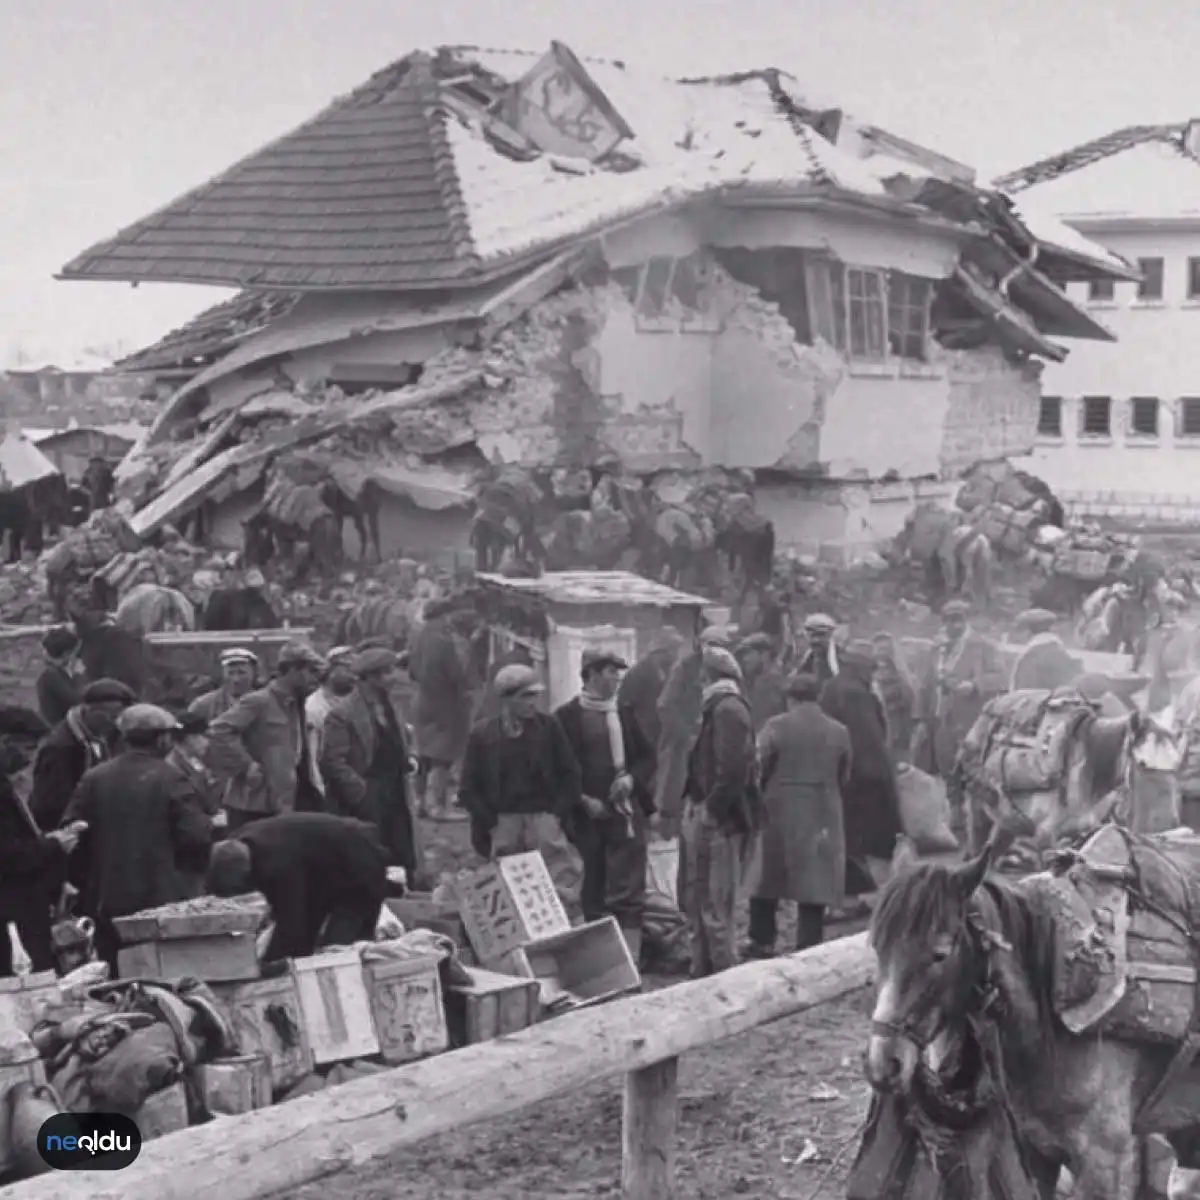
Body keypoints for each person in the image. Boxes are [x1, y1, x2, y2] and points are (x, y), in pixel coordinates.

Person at [62, 704, 214, 972]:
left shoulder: (94, 777)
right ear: (162, 738)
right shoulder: (171, 778)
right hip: (164, 901)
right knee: (168, 978)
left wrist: (88, 881)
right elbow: (197, 836)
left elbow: (72, 834)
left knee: (118, 977)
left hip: (107, 899)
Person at [459, 664, 584, 916]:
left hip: (543, 819)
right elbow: (468, 786)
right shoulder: (483, 734)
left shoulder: (549, 728)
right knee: (510, 886)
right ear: (506, 699)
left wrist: (555, 816)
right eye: (525, 696)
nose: (533, 702)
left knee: (559, 881)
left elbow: (570, 774)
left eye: (535, 695)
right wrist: (490, 821)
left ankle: (562, 930)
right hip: (504, 821)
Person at [555, 649, 655, 963]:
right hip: (587, 819)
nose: (617, 679)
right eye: (612, 672)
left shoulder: (623, 713)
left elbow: (647, 757)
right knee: (592, 888)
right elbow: (558, 769)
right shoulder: (566, 718)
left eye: (618, 673)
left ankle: (630, 962)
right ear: (592, 674)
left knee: (629, 891)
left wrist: (631, 781)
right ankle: (600, 964)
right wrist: (583, 800)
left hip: (625, 814)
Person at [745, 673, 851, 958]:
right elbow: (845, 774)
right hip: (822, 809)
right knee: (815, 878)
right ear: (817, 697)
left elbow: (758, 767)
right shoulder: (839, 731)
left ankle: (762, 938)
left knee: (767, 873)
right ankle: (809, 942)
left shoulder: (775, 727)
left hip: (778, 808)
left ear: (789, 697)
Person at [207, 812, 388, 963]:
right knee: (307, 942)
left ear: (246, 873)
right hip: (326, 869)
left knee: (337, 950)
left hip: (360, 863)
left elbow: (292, 923)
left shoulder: (279, 863)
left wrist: (267, 964)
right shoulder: (240, 842)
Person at [678, 645, 759, 979]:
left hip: (718, 819)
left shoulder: (727, 709)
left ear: (709, 676)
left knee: (714, 903)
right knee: (697, 899)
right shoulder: (719, 707)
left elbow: (733, 771)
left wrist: (711, 808)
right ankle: (701, 973)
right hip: (706, 812)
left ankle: (723, 978)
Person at [321, 647, 421, 879]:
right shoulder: (342, 713)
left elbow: (404, 735)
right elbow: (333, 760)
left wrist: (410, 757)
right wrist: (360, 792)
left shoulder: (390, 704)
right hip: (367, 791)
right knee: (370, 849)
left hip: (395, 787)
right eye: (387, 672)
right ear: (371, 677)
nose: (394, 677)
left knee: (401, 845)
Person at [207, 640, 326, 832]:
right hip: (254, 805)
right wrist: (247, 766)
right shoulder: (259, 701)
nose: (314, 679)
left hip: (286, 802)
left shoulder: (297, 704)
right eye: (310, 672)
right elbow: (219, 730)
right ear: (293, 670)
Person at [912, 600, 1006, 841]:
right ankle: (955, 814)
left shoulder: (984, 647)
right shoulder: (937, 649)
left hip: (972, 717)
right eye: (949, 620)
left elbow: (1001, 678)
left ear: (966, 620)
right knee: (946, 764)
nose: (953, 625)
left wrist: (974, 685)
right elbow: (924, 684)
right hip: (942, 716)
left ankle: (979, 819)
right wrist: (922, 718)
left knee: (972, 766)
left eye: (958, 619)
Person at [0, 714, 83, 976]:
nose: (30, 758)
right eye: (27, 748)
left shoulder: (8, 784)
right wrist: (53, 845)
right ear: (4, 742)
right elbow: (9, 854)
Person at [820, 649, 903, 899]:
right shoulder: (854, 694)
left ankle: (855, 893)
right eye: (870, 670)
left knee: (850, 834)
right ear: (860, 668)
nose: (873, 675)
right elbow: (868, 739)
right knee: (861, 836)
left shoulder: (836, 688)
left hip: (847, 770)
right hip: (862, 774)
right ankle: (860, 893)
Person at [29, 679, 133, 832]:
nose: (115, 723)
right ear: (89, 710)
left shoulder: (95, 738)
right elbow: (50, 806)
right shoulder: (62, 748)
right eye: (112, 716)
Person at [408, 599, 473, 821]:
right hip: (444, 704)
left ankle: (418, 802)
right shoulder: (443, 642)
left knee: (423, 754)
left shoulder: (417, 636)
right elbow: (455, 675)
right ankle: (438, 807)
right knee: (442, 757)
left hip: (421, 700)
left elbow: (412, 670)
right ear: (442, 616)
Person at [166, 711, 227, 896]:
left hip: (200, 846)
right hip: (184, 851)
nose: (207, 743)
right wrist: (212, 821)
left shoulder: (193, 762)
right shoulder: (173, 767)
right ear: (190, 738)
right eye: (204, 737)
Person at [617, 627, 685, 753]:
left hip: (663, 742)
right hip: (643, 743)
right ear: (661, 651)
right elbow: (624, 708)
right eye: (674, 650)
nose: (677, 656)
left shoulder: (671, 672)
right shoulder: (637, 674)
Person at [304, 646, 357, 801]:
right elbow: (312, 756)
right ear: (331, 671)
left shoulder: (355, 702)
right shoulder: (314, 707)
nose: (352, 675)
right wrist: (320, 790)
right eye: (346, 668)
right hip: (329, 786)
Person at [1010, 608, 1081, 691]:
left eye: (1020, 630)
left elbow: (1019, 694)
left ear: (1027, 631)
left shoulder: (1029, 656)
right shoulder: (1064, 653)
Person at [871, 632, 916, 764]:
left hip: (897, 726)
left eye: (885, 649)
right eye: (878, 649)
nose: (881, 653)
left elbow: (908, 697)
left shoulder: (900, 675)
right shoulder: (868, 671)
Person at [189, 647, 259, 722]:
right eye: (230, 673)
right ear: (222, 674)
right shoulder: (203, 706)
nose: (236, 679)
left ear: (253, 674)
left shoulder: (265, 704)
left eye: (242, 673)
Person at [736, 633, 787, 731]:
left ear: (764, 655)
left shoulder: (772, 683)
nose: (745, 659)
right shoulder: (753, 681)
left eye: (749, 654)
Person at [35, 627, 81, 728]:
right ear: (66, 654)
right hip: (57, 730)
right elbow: (76, 701)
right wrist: (78, 676)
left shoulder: (55, 672)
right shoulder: (51, 676)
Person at [797, 613, 840, 683]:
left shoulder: (839, 659)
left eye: (821, 635)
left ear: (829, 635)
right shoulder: (809, 656)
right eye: (812, 636)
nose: (816, 640)